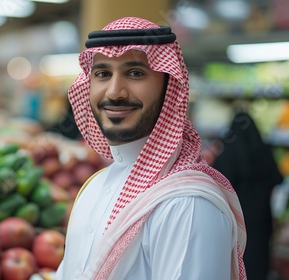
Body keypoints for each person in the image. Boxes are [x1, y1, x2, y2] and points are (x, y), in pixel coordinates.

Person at [56, 17, 247, 279]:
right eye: (102, 74)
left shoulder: (186, 204)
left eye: (135, 73)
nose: (115, 92)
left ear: (169, 86)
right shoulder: (94, 187)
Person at [212, 110, 283, 280]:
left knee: (238, 261)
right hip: (261, 220)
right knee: (258, 261)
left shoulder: (227, 156)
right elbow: (277, 179)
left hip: (236, 220)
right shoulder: (265, 152)